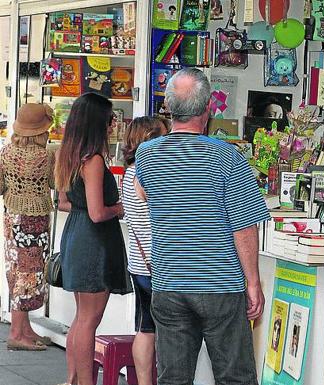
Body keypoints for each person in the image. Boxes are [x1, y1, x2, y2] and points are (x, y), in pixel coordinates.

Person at [134, 67, 270, 385]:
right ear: (208, 108)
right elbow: (244, 227)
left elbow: (142, 193)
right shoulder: (227, 158)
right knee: (234, 376)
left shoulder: (147, 153)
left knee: (173, 377)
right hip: (220, 284)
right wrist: (253, 283)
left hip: (169, 284)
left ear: (168, 108)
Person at [55, 93, 132, 385]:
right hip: (94, 241)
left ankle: (73, 378)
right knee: (90, 320)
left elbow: (63, 202)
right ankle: (86, 381)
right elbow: (99, 213)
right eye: (111, 119)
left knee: (81, 317)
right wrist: (120, 207)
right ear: (99, 122)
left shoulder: (69, 154)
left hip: (75, 234)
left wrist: (89, 206)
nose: (114, 124)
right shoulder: (95, 159)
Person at [0, 103, 55, 351]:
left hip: (12, 219)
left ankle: (24, 328)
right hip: (35, 220)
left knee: (16, 272)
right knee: (29, 275)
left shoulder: (6, 152)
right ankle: (16, 334)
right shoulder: (47, 155)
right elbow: (56, 182)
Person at [121, 116, 168, 385]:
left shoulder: (129, 173)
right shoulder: (148, 174)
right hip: (157, 264)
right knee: (163, 330)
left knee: (145, 327)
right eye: (164, 134)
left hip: (139, 262)